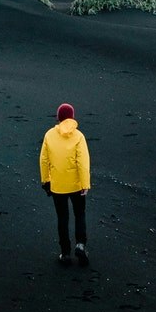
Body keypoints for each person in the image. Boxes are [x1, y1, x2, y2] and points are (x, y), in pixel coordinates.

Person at [39, 102, 91, 267]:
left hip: (58, 185)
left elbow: (44, 160)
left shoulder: (49, 135)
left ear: (58, 117)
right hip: (76, 185)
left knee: (62, 217)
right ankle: (81, 244)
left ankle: (65, 252)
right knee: (79, 214)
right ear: (72, 117)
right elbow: (83, 163)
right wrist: (85, 184)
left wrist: (46, 180)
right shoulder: (79, 136)